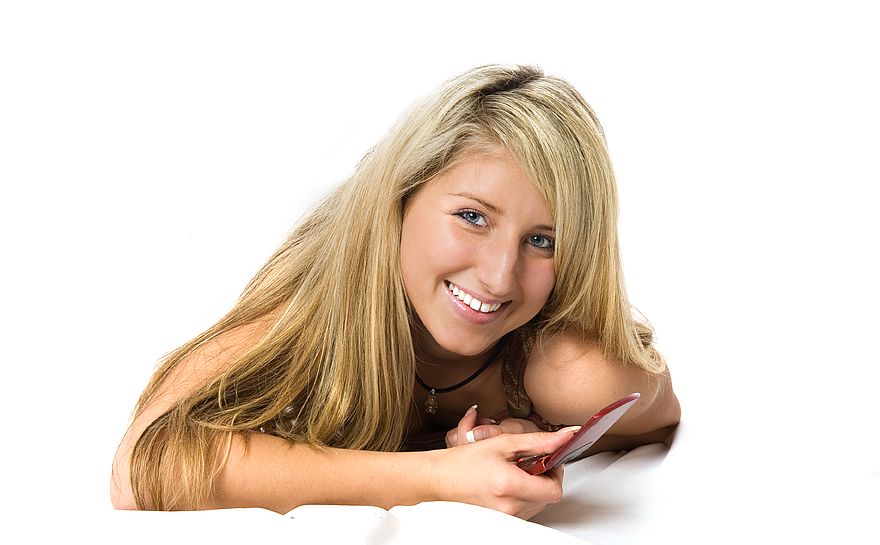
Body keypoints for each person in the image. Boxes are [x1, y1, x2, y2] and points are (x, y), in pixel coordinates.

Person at [111, 63, 680, 520]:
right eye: (472, 217)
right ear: (401, 196)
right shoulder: (321, 293)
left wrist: (535, 437)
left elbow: (655, 415)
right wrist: (438, 478)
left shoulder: (561, 367)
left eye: (541, 240)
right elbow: (142, 469)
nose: (499, 276)